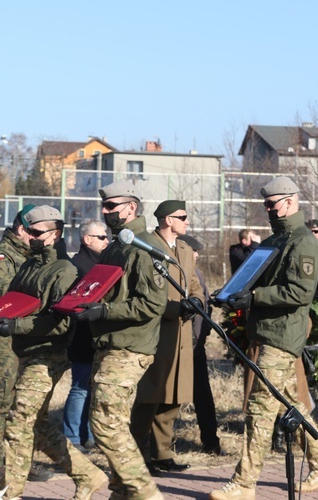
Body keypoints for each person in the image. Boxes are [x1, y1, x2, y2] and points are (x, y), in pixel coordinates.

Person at [210, 176, 318, 499]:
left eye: (272, 204)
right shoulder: (276, 240)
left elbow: (299, 292)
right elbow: (250, 278)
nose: (268, 209)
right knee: (291, 404)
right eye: (265, 204)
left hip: (282, 336)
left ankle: (243, 484)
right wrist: (229, 295)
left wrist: (253, 298)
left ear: (290, 202)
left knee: (260, 409)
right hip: (265, 332)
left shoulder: (303, 242)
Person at [0, 205, 107, 500]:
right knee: (38, 426)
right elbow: (16, 300)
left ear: (54, 235)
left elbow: (59, 322)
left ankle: (8, 492)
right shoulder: (30, 264)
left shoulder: (64, 270)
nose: (30, 236)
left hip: (48, 355)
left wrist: (16, 325)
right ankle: (88, 474)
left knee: (18, 420)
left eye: (37, 232)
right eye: (29, 230)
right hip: (25, 352)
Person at [73, 180, 167, 500]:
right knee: (116, 425)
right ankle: (121, 492)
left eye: (112, 206)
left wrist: (104, 311)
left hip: (129, 347)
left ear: (131, 207)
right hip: (109, 345)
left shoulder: (144, 245)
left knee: (105, 425)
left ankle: (145, 493)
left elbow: (154, 304)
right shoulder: (117, 246)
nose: (105, 211)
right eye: (104, 206)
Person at [0, 204, 52, 487]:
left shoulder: (33, 256)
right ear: (22, 229)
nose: (39, 237)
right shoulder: (1, 255)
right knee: (1, 402)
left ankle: (20, 460)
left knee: (24, 405)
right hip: (1, 341)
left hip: (26, 338)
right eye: (35, 231)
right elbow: (8, 297)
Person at [131, 200, 204, 474]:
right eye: (182, 217)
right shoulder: (147, 247)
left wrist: (196, 302)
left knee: (173, 394)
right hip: (157, 331)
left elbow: (194, 284)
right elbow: (144, 295)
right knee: (149, 396)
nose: (187, 221)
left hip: (182, 334)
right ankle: (137, 457)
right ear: (166, 220)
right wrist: (175, 308)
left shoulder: (184, 249)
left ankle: (162, 453)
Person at [62, 219, 109, 452]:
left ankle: (89, 435)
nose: (107, 241)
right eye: (102, 237)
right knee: (80, 387)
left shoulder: (103, 264)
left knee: (94, 387)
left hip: (98, 336)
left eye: (107, 237)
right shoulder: (78, 265)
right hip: (82, 336)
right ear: (87, 239)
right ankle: (72, 437)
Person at [178, 234, 226, 456]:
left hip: (196, 347)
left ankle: (211, 442)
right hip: (179, 346)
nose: (197, 256)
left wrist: (202, 337)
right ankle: (159, 445)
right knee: (168, 398)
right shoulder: (180, 274)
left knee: (203, 398)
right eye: (194, 251)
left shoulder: (197, 275)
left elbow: (206, 311)